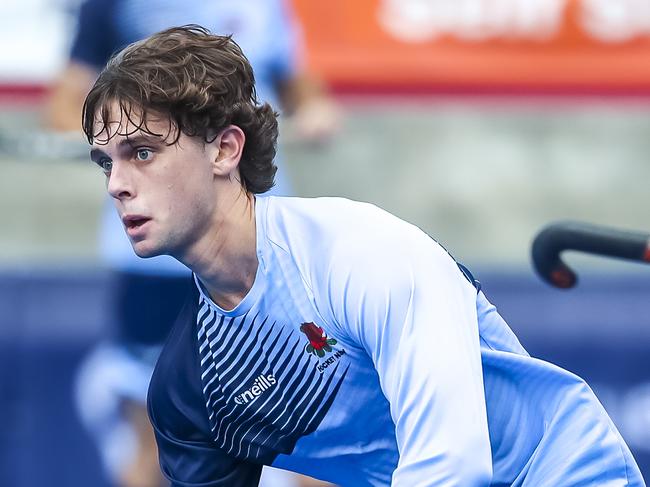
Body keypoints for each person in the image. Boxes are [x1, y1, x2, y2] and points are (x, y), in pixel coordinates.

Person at [82, 25, 646, 486]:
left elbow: (452, 467)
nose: (117, 185)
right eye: (107, 162)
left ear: (226, 149)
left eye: (144, 152)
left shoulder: (364, 252)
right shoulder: (189, 390)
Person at [47, 2, 337, 486]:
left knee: (315, 435)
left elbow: (297, 81)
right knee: (156, 443)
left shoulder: (268, 9)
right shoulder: (113, 8)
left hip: (261, 255)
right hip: (155, 273)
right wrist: (128, 142)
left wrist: (315, 108)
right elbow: (64, 105)